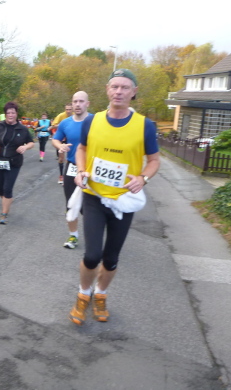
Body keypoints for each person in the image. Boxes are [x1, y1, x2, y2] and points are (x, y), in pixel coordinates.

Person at [69, 69, 160, 325]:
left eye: (125, 87)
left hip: (122, 202)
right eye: (114, 86)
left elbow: (154, 160)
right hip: (94, 196)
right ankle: (83, 294)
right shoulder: (92, 121)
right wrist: (81, 170)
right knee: (92, 256)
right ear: (107, 89)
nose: (119, 91)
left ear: (134, 92)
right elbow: (81, 149)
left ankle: (101, 295)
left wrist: (143, 178)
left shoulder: (144, 125)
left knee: (110, 259)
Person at [52, 92, 91, 249]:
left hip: (90, 169)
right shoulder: (65, 123)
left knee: (89, 206)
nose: (77, 104)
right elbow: (56, 139)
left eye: (81, 101)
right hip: (72, 167)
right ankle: (73, 235)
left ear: (87, 103)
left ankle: (94, 235)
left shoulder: (95, 121)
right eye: (75, 101)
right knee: (70, 203)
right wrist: (60, 146)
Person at [0, 101, 34, 224]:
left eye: (13, 113)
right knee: (0, 189)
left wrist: (25, 147)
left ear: (16, 114)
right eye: (8, 113)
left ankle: (4, 214)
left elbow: (31, 142)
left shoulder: (22, 129)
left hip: (14, 162)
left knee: (7, 188)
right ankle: (7, 201)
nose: (10, 115)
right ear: (5, 114)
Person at [50, 103, 73, 184]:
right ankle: (61, 176)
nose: (68, 111)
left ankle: (70, 176)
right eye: (67, 109)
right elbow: (53, 125)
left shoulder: (75, 115)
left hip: (71, 138)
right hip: (62, 139)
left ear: (72, 109)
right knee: (61, 158)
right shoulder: (61, 115)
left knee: (71, 158)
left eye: (70, 109)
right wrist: (62, 125)